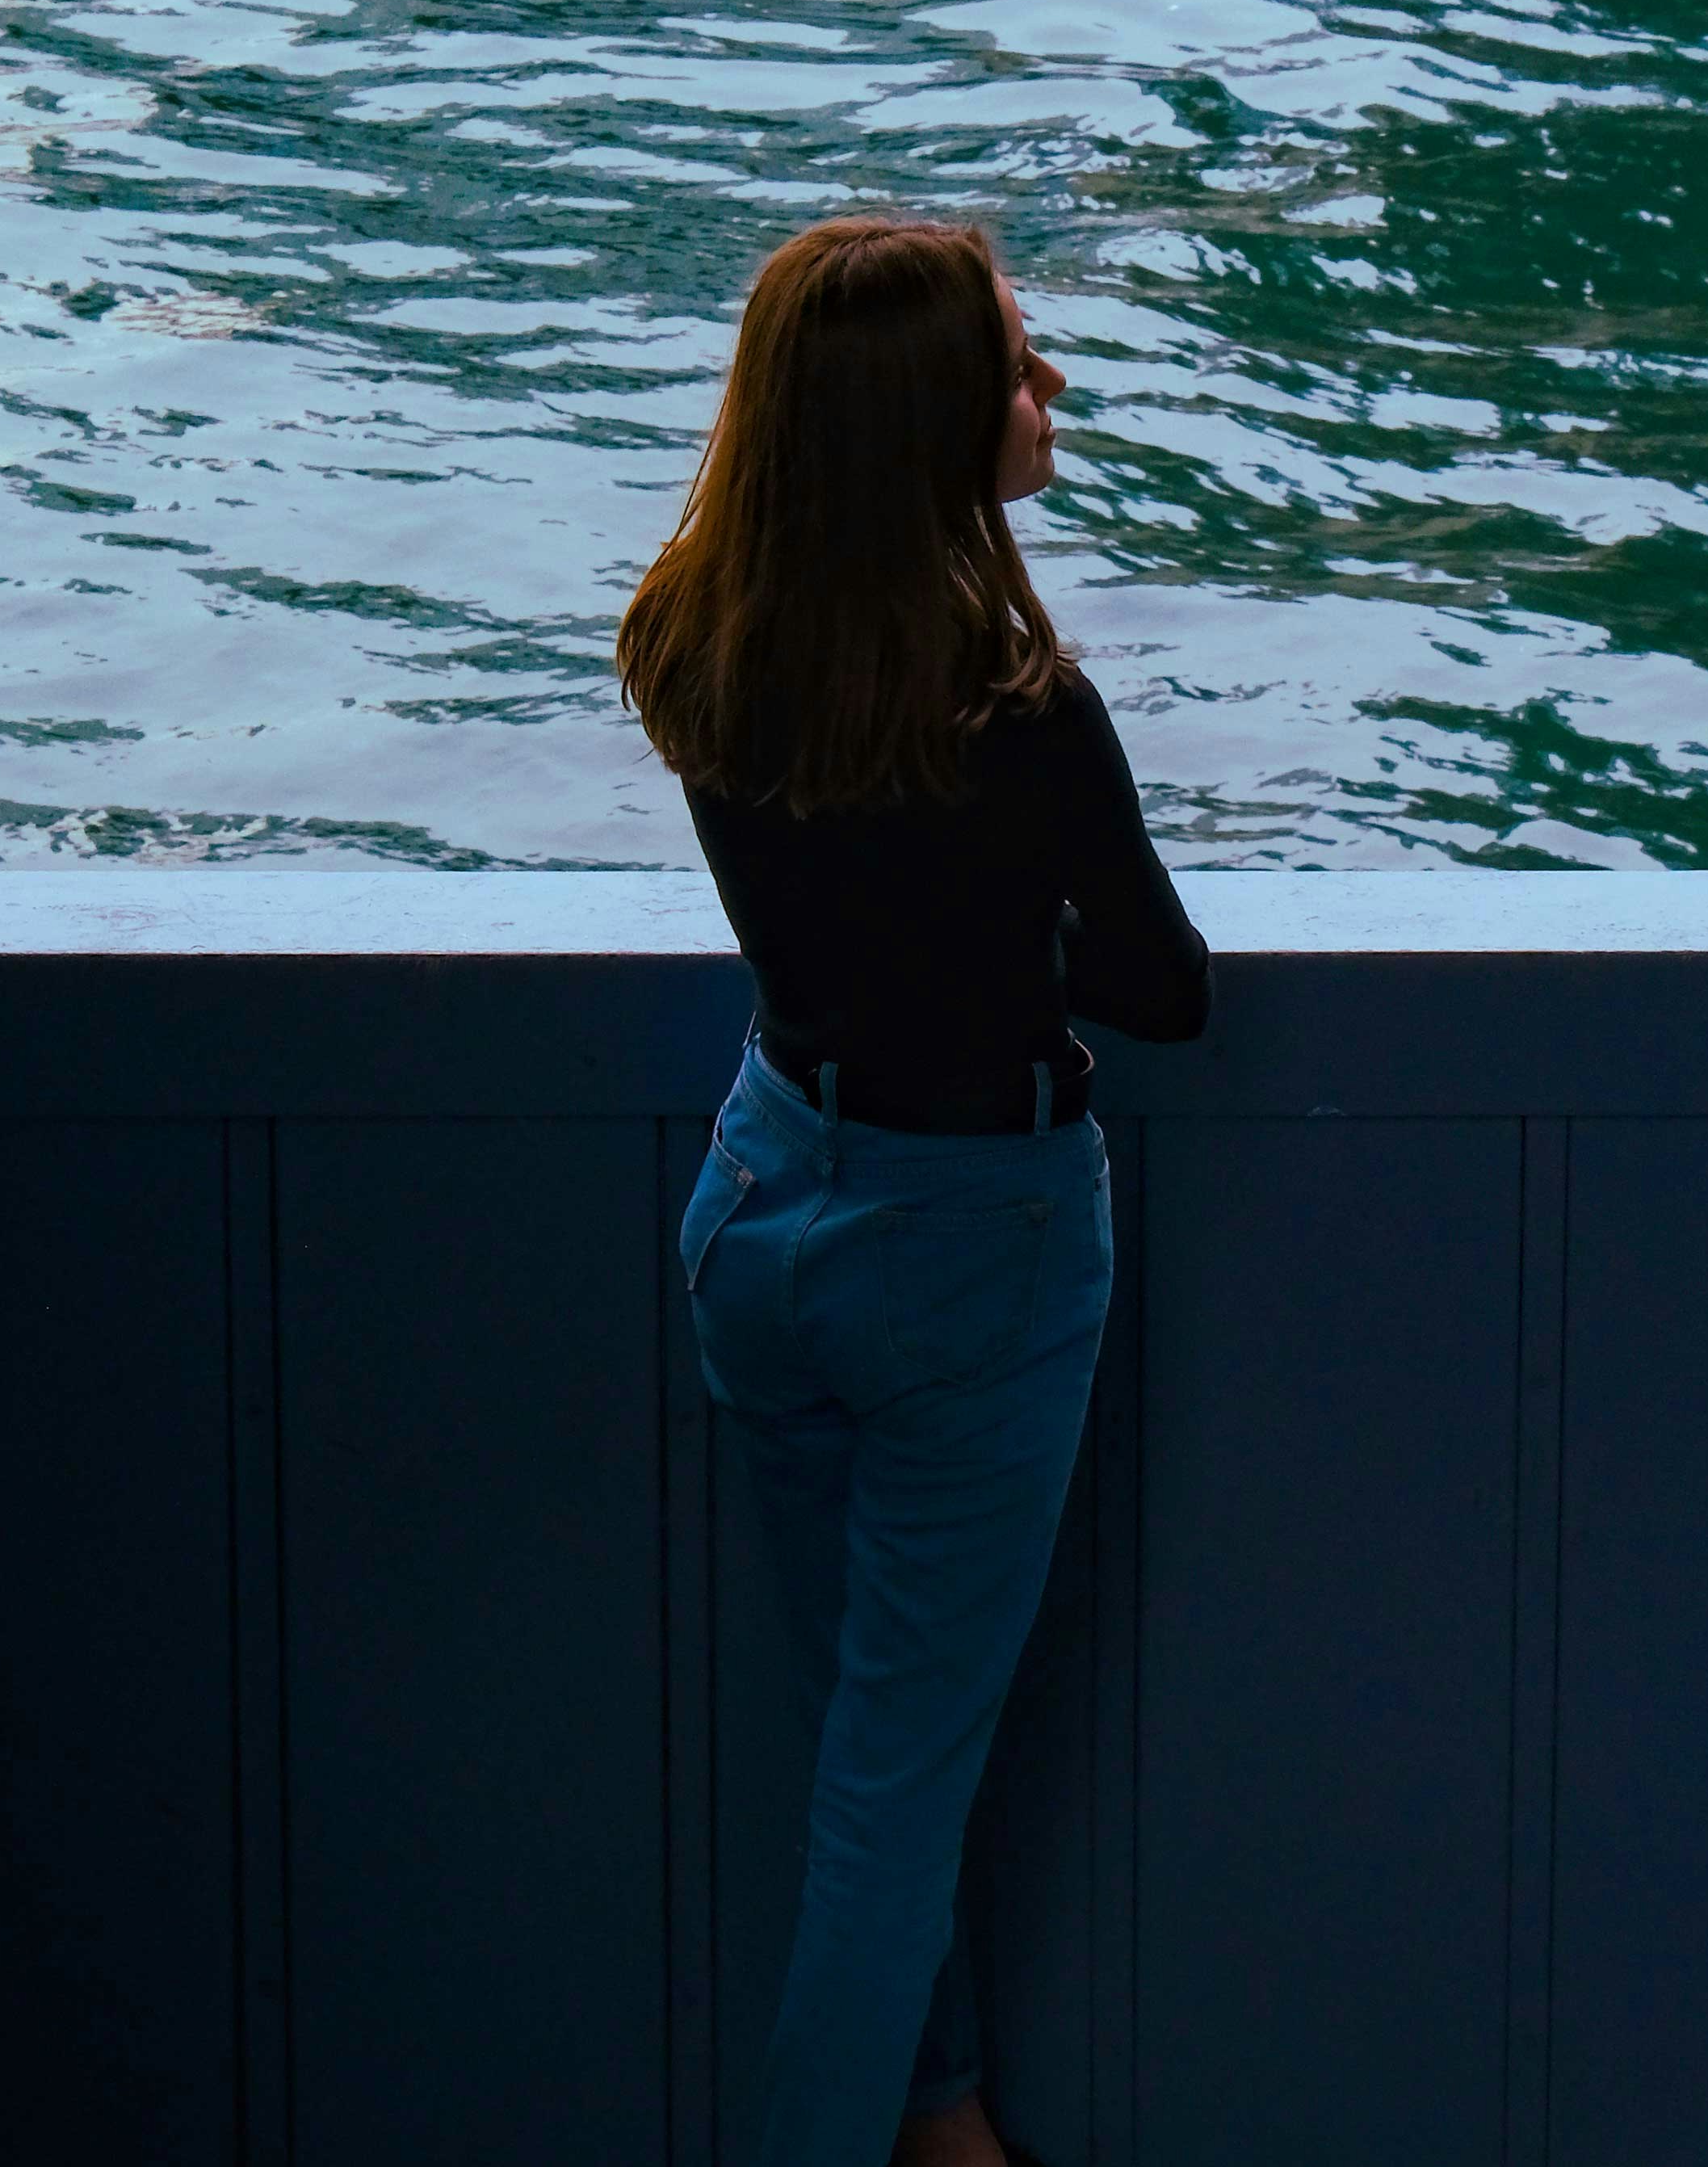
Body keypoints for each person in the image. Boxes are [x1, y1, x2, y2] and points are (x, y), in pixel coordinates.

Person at [619, 216, 1211, 2167]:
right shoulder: (1016, 709)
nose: (1044, 395)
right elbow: (1162, 988)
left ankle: (943, 2121)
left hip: (765, 1201)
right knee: (894, 1780)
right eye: (1017, 368)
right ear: (931, 421)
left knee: (876, 1747)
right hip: (971, 1250)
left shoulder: (690, 638)